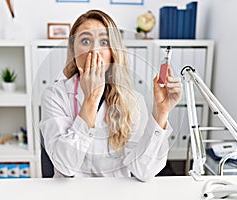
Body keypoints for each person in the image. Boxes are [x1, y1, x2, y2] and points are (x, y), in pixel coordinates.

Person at [39, 9, 182, 181]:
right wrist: (91, 99)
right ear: (73, 50)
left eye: (104, 42)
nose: (95, 51)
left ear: (114, 52)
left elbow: (143, 172)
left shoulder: (133, 101)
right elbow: (65, 166)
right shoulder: (55, 96)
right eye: (85, 41)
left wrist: (161, 113)